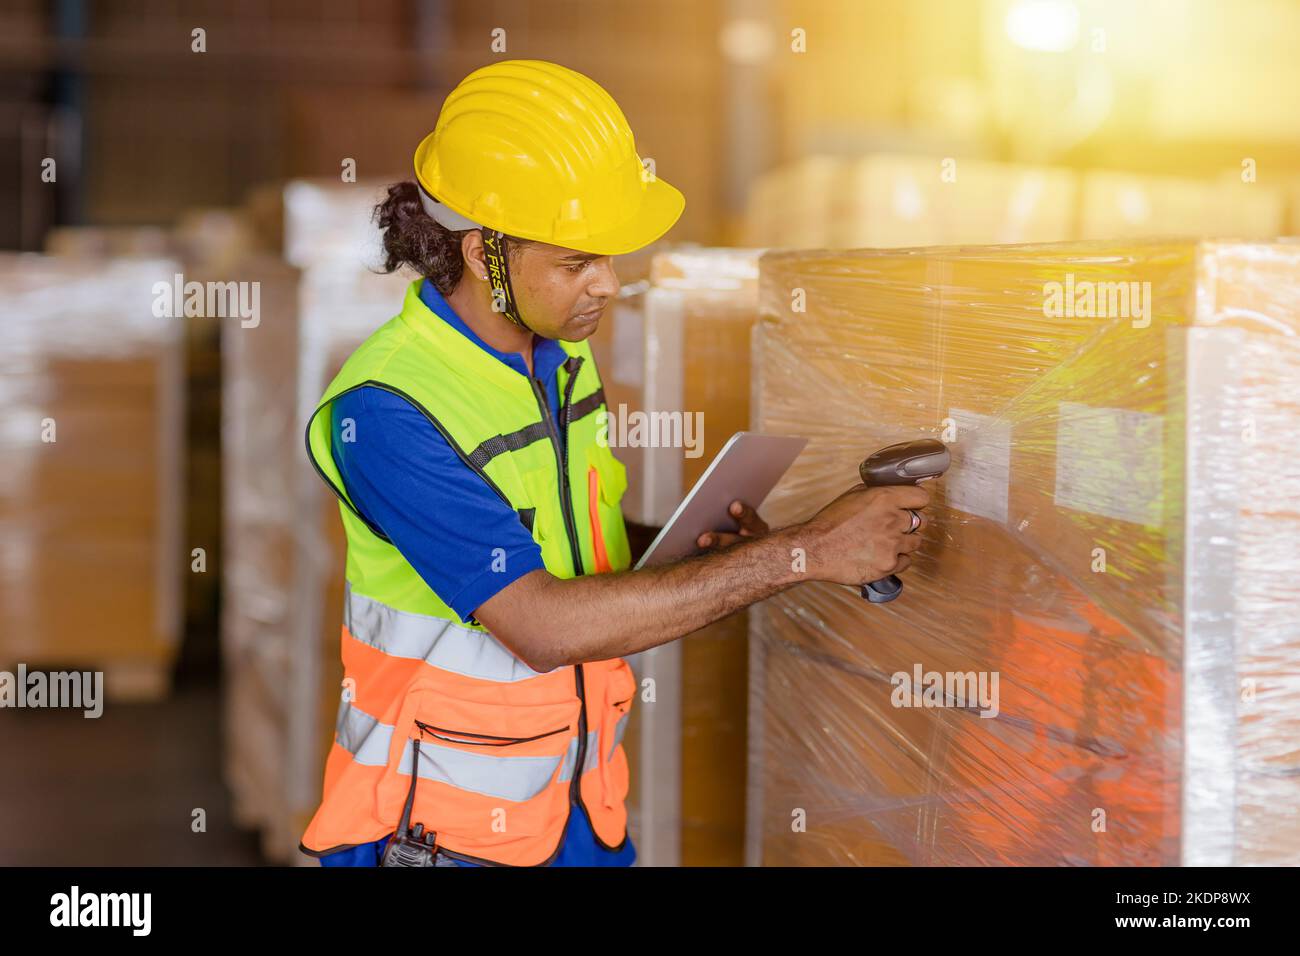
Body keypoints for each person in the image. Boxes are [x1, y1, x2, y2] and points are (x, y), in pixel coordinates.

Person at [300, 59, 931, 867]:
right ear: (484, 253)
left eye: (608, 257)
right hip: (437, 836)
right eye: (576, 263)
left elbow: (557, 548)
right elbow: (540, 623)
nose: (609, 284)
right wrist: (803, 553)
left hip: (576, 812)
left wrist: (688, 545)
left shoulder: (557, 360)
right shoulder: (388, 411)